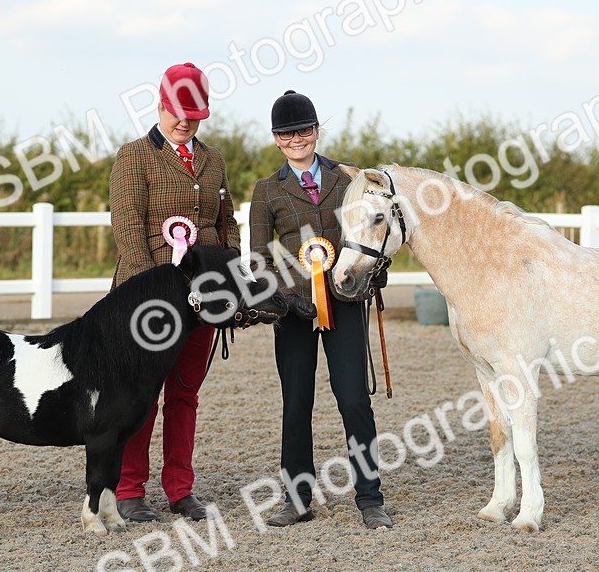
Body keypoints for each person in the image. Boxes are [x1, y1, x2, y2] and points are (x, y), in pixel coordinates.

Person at [249, 90, 393, 529]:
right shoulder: (266, 190)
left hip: (344, 301)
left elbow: (374, 228)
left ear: (316, 130)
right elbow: (258, 258)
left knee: (354, 400)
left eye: (304, 130)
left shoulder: (349, 179)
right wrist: (282, 296)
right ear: (276, 139)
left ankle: (370, 497)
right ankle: (297, 499)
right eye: (287, 134)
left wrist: (376, 270)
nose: (297, 139)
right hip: (294, 310)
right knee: (297, 403)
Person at [108, 62, 240, 522]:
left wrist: (230, 272)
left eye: (194, 115)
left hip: (202, 297)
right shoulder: (134, 156)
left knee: (185, 393)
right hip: (149, 296)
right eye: (177, 112)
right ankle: (128, 489)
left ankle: (180, 489)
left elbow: (225, 222)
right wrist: (152, 292)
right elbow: (128, 227)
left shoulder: (213, 160)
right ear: (161, 105)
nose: (184, 122)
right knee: (142, 394)